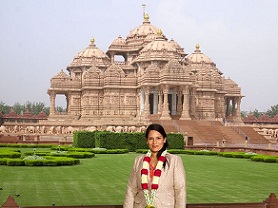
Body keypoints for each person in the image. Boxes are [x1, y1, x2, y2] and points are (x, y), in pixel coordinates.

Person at [123, 123, 186, 208]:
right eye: (151, 139)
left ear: (164, 139)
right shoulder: (138, 161)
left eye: (158, 138)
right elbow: (131, 189)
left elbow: (180, 191)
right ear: (146, 140)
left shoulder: (174, 161)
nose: (154, 142)